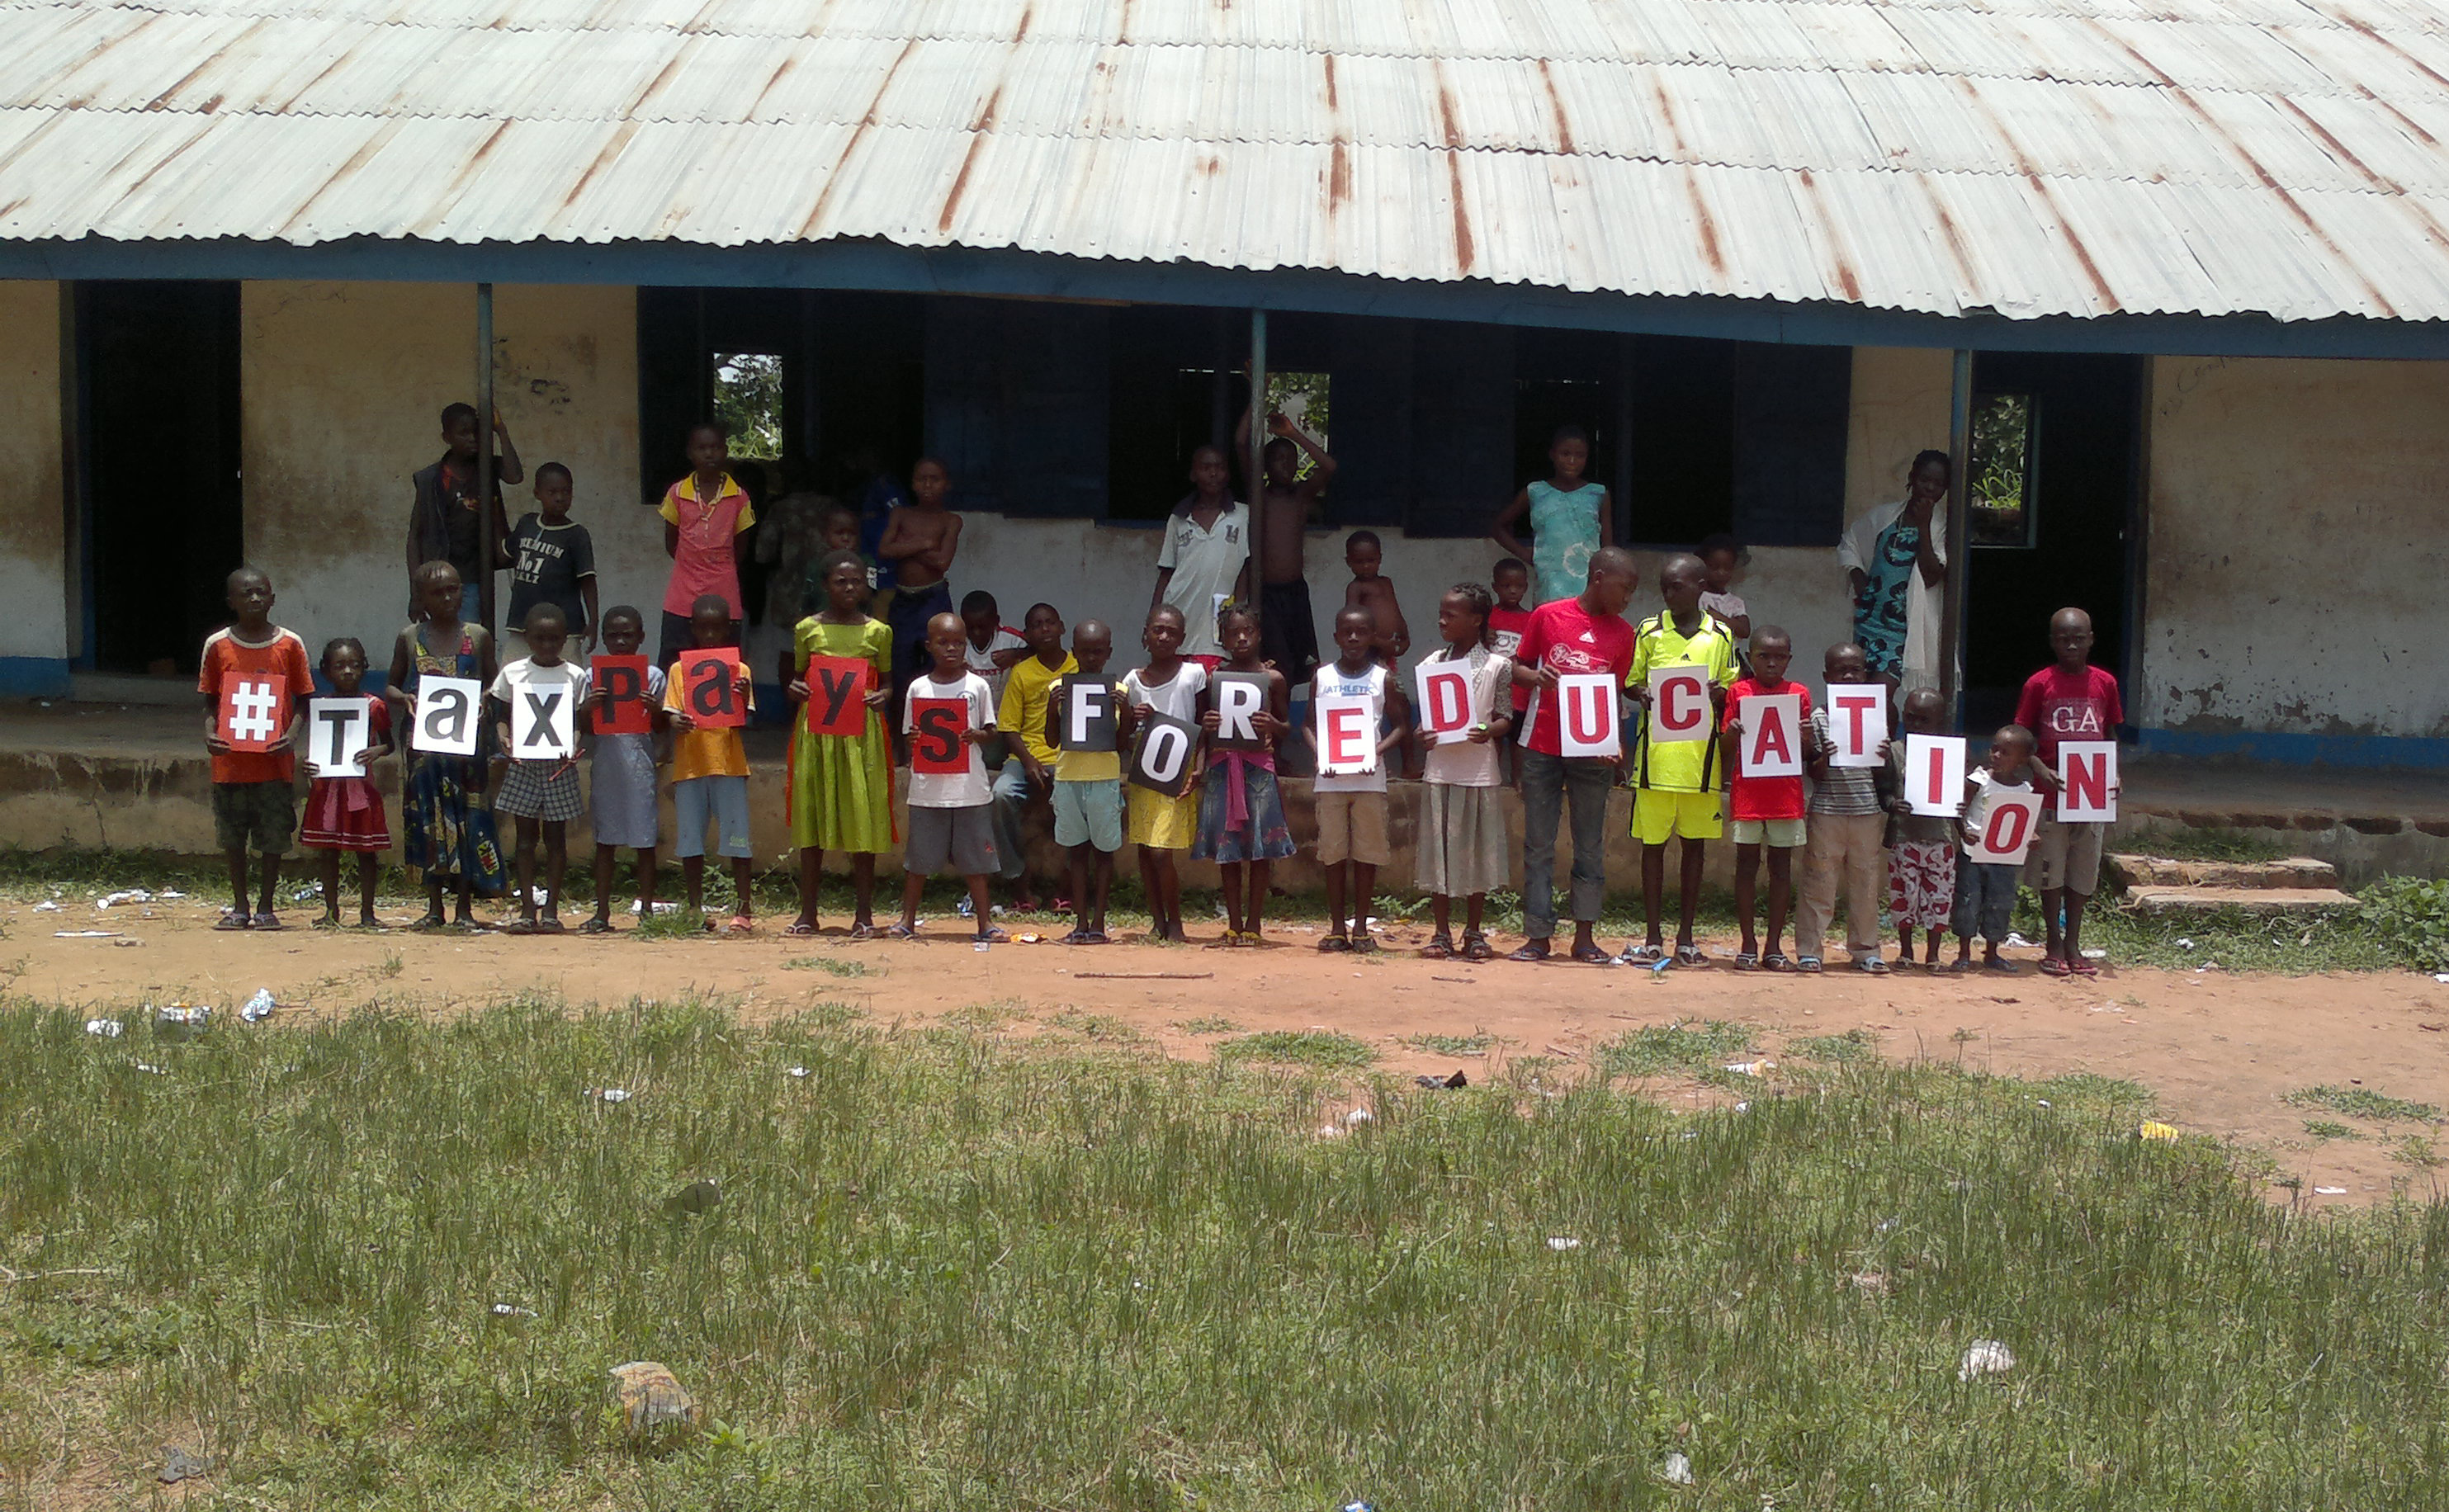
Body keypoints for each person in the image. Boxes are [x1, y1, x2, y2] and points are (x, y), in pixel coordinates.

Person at [1507, 546, 1641, 964]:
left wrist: (1615, 742)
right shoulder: (1547, 616)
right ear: (1599, 578)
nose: (1627, 598)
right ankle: (1537, 936)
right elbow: (1517, 667)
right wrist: (1536, 677)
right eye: (1624, 587)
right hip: (1542, 745)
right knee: (1539, 844)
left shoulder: (1623, 633)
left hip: (1592, 753)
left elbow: (1613, 696)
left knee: (1589, 844)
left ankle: (1585, 937)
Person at [1624, 553, 1742, 966]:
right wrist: (1641, 695)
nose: (1669, 593)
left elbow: (1733, 690)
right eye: (1664, 587)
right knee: (1652, 848)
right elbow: (1631, 682)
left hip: (1701, 764)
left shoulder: (1720, 636)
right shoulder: (1649, 632)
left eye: (1677, 586)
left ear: (1700, 586)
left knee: (1694, 849)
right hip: (1655, 763)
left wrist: (1718, 694)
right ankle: (1653, 935)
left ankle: (1687, 937)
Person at [388, 562, 508, 928]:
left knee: (469, 819)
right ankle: (435, 906)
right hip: (425, 749)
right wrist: (405, 699)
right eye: (437, 593)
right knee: (430, 820)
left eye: (453, 589)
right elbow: (391, 685)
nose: (447, 598)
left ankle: (466, 908)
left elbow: (495, 682)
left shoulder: (479, 636)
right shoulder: (410, 637)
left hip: (468, 746)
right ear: (422, 598)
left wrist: (485, 700)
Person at [782, 550, 894, 937]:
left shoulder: (878, 632)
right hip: (817, 734)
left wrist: (885, 696)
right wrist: (794, 689)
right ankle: (807, 913)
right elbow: (797, 678)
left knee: (862, 819)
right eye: (840, 582)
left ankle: (863, 915)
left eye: (857, 581)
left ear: (866, 584)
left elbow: (889, 682)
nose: (849, 588)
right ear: (825, 585)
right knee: (812, 819)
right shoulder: (807, 630)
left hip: (862, 736)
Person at [199, 566, 314, 931]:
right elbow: (209, 701)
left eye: (261, 592)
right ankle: (239, 906)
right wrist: (210, 736)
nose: (254, 599)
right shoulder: (218, 645)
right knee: (232, 837)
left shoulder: (290, 644)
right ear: (231, 601)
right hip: (230, 764)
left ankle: (266, 906)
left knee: (273, 837)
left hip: (274, 763)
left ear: (273, 598)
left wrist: (293, 735)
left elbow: (304, 700)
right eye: (245, 593)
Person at [2016, 606, 2125, 978]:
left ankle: (2074, 941)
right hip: (2050, 796)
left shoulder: (2105, 684)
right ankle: (2053, 941)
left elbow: (2109, 734)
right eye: (2064, 639)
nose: (2072, 646)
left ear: (2092, 640)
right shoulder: (2038, 684)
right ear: (2052, 642)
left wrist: (2114, 774)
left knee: (2082, 871)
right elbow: (2021, 738)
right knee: (2052, 872)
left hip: (2090, 796)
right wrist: (2040, 768)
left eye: (2079, 638)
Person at [891, 611, 1005, 943]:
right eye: (943, 643)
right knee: (918, 862)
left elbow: (991, 730)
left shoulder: (977, 686)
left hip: (970, 788)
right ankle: (907, 920)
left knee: (976, 863)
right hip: (928, 789)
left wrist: (976, 736)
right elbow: (908, 735)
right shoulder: (918, 688)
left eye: (958, 642)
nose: (952, 649)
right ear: (929, 646)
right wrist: (912, 740)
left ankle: (985, 923)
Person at [1414, 583, 1513, 961]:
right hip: (1440, 769)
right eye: (1441, 612)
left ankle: (1473, 931)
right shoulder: (1430, 666)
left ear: (1476, 620)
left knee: (1476, 853)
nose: (1442, 620)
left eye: (1450, 615)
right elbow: (1427, 722)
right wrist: (1424, 734)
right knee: (1440, 853)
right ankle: (1441, 932)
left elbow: (1505, 716)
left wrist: (1488, 730)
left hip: (1478, 772)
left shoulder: (1496, 667)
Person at [1308, 606, 1408, 952]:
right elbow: (1308, 724)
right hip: (1331, 781)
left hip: (1369, 780)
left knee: (1367, 855)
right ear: (1335, 636)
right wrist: (1321, 754)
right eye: (1346, 632)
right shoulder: (1322, 677)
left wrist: (1377, 751)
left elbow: (1401, 726)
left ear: (1371, 637)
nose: (1353, 638)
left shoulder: (1382, 678)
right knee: (1333, 855)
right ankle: (1337, 927)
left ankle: (1362, 927)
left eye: (1361, 632)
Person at [488, 603, 590, 933]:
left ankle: (552, 910)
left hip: (558, 766)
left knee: (556, 839)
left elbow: (579, 723)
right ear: (528, 640)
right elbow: (502, 717)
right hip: (523, 763)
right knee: (525, 839)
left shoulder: (575, 676)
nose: (547, 645)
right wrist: (504, 741)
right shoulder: (513, 673)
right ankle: (527, 908)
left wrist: (573, 746)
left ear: (564, 641)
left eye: (554, 639)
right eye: (540, 639)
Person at [1194, 603, 1293, 944]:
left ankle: (1254, 923)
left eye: (1247, 631)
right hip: (1223, 767)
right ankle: (1234, 923)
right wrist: (1205, 731)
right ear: (1223, 638)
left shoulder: (1273, 680)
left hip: (1259, 769)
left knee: (1262, 848)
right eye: (1233, 632)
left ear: (1258, 634)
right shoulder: (1213, 679)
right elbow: (1201, 727)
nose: (1241, 638)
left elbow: (1287, 728)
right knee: (1228, 848)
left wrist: (1273, 725)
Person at [1798, 642, 1896, 974]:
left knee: (1866, 883)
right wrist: (1822, 754)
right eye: (1842, 670)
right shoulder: (1819, 718)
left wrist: (1884, 757)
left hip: (1866, 811)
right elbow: (1813, 773)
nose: (1850, 675)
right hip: (1828, 810)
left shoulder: (1875, 716)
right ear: (1827, 676)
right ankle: (1811, 950)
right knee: (1819, 882)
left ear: (1866, 674)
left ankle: (1866, 949)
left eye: (1857, 669)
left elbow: (1881, 775)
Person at [659, 596, 755, 931]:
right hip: (690, 766)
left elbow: (748, 722)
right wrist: (677, 723)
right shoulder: (678, 670)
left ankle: (743, 908)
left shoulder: (739, 670)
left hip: (729, 763)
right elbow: (670, 713)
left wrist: (743, 697)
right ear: (693, 629)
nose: (710, 635)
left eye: (717, 629)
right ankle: (696, 906)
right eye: (704, 628)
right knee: (690, 839)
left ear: (728, 629)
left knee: (738, 838)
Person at [1721, 627, 1813, 971]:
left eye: (1779, 657)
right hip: (1748, 794)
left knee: (1781, 869)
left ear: (1789, 659)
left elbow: (1804, 751)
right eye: (1764, 656)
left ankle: (1773, 946)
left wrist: (1805, 737)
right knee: (1746, 866)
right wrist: (1731, 732)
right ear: (1751, 657)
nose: (1772, 664)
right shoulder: (1739, 692)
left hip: (1785, 796)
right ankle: (1747, 943)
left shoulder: (1799, 694)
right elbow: (1725, 748)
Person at [1235, 392, 1335, 689]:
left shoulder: (1301, 497)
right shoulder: (1259, 495)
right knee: (1275, 661)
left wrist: (1293, 433)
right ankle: (1273, 725)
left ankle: (1282, 723)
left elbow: (1328, 466)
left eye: (1291, 460)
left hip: (1295, 592)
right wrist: (1256, 395)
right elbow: (1241, 443)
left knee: (1299, 664)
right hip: (1265, 592)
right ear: (1264, 466)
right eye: (1278, 460)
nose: (1286, 466)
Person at [1121, 605, 1206, 944]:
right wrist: (1132, 718)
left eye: (1172, 631)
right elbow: (1124, 737)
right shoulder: (1131, 681)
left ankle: (1176, 923)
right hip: (1145, 768)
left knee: (1161, 850)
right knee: (1144, 847)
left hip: (1179, 768)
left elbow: (1203, 724)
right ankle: (1157, 922)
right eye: (1158, 629)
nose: (1164, 636)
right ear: (1145, 635)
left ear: (1182, 638)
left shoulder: (1194, 675)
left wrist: (1199, 767)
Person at [580, 605, 664, 934]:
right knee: (605, 840)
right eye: (613, 635)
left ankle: (646, 909)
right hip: (606, 766)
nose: (620, 641)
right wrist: (589, 708)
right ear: (603, 639)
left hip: (640, 766)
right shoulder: (591, 677)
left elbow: (660, 727)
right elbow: (583, 726)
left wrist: (654, 708)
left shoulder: (653, 676)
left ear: (641, 638)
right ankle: (602, 911)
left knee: (645, 841)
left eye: (627, 635)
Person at [1839, 449, 1950, 692]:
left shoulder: (1942, 527)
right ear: (1912, 477)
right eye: (1924, 479)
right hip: (1870, 620)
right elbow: (1850, 543)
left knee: (1882, 694)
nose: (1930, 488)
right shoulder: (1885, 515)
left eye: (1938, 484)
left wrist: (1923, 525)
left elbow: (1932, 576)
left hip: (1902, 627)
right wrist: (1860, 581)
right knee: (1861, 692)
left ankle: (1885, 731)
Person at [300, 635, 391, 929]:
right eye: (340, 666)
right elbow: (318, 746)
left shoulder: (375, 706)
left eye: (354, 665)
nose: (348, 672)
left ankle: (367, 912)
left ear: (364, 668)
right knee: (328, 851)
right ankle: (331, 909)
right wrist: (309, 764)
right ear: (326, 671)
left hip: (361, 789)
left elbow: (390, 744)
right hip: (327, 788)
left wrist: (375, 751)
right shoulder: (320, 706)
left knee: (366, 852)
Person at [1046, 620, 1127, 945]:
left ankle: (1099, 923)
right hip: (1068, 778)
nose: (1091, 658)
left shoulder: (1118, 691)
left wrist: (1128, 710)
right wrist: (1054, 709)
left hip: (1105, 778)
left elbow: (1122, 744)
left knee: (1104, 853)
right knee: (1076, 852)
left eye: (1098, 652)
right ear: (1074, 652)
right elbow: (1052, 740)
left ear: (1108, 653)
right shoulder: (1058, 688)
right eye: (1085, 652)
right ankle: (1080, 921)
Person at [993, 602, 1076, 914]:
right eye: (1037, 625)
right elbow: (1009, 728)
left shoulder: (1079, 667)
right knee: (1001, 795)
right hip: (1026, 755)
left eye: (1050, 623)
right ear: (1027, 635)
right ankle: (1018, 883)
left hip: (1069, 758)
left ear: (1062, 627)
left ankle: (1066, 889)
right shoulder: (1022, 672)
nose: (1045, 629)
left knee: (1082, 802)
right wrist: (1028, 762)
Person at [406, 403, 522, 624]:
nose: (473, 438)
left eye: (477, 432)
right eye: (464, 433)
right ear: (446, 437)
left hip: (473, 579)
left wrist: (501, 430)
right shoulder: (431, 479)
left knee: (468, 644)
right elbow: (414, 536)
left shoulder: (486, 468)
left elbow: (515, 476)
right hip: (437, 582)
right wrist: (416, 591)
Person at [1952, 725, 2052, 974]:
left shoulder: (2024, 790)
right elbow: (1959, 810)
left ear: (2022, 760)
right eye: (1994, 750)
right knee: (1968, 901)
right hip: (1972, 854)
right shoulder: (1978, 780)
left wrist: (2032, 836)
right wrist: (1963, 830)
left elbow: (2025, 824)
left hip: (2004, 859)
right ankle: (1963, 953)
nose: (1996, 756)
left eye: (2005, 753)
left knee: (1999, 903)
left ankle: (1992, 953)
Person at [657, 421, 757, 670]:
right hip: (683, 588)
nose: (709, 453)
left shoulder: (739, 496)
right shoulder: (677, 493)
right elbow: (672, 542)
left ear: (725, 451)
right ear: (690, 453)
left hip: (724, 585)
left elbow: (741, 547)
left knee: (726, 658)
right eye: (702, 448)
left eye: (715, 447)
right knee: (675, 656)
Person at [1488, 425, 1614, 607]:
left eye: (1580, 456)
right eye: (1565, 454)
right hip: (1549, 586)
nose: (1572, 461)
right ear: (1552, 455)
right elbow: (1498, 527)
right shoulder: (1536, 492)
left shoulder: (1598, 494)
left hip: (1587, 587)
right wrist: (1526, 554)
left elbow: (1608, 550)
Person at [1150, 445, 1251, 669]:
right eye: (1206, 468)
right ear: (1193, 474)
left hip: (1219, 616)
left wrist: (1240, 610)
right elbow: (1167, 571)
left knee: (1212, 684)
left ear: (1228, 474)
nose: (1213, 473)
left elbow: (1246, 566)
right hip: (1180, 609)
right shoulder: (1179, 518)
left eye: (1219, 467)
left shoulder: (1242, 515)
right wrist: (1153, 616)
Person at [877, 457, 964, 709]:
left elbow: (942, 562)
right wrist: (924, 544)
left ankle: (934, 721)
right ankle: (900, 733)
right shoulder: (900, 514)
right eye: (921, 479)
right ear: (913, 484)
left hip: (933, 598)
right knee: (899, 665)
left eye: (934, 479)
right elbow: (884, 549)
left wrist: (905, 547)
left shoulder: (951, 520)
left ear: (946, 485)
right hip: (903, 599)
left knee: (937, 662)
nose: (927, 485)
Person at [1887, 687, 1957, 969]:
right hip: (1904, 837)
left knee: (1938, 898)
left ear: (1939, 721)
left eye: (1924, 720)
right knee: (1904, 896)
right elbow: (1884, 790)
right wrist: (1893, 803)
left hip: (1940, 838)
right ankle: (1906, 951)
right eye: (1911, 718)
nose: (1916, 725)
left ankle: (1933, 954)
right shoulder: (1894, 752)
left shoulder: (1949, 753)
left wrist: (1960, 811)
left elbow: (1957, 795)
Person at [504, 462, 598, 657]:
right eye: (553, 492)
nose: (560, 498)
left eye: (566, 492)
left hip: (564, 629)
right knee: (513, 679)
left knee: (566, 679)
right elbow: (504, 554)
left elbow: (587, 580)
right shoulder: (527, 523)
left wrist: (594, 620)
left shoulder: (576, 534)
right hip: (522, 624)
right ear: (537, 493)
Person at [1487, 557, 1534, 782]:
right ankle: (1491, 778)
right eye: (1506, 586)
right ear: (1495, 587)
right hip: (1493, 690)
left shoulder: (1530, 619)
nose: (1513, 591)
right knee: (1494, 737)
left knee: (1518, 740)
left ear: (1526, 586)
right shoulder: (1487, 617)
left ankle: (1517, 779)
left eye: (1518, 586)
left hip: (1520, 693)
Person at [1341, 531, 1409, 668]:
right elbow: (1351, 623)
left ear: (1380, 559)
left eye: (1371, 560)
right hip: (1366, 650)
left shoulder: (1386, 582)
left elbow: (1396, 612)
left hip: (1388, 648)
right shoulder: (1356, 587)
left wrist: (1405, 637)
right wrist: (1380, 642)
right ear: (1349, 562)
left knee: (1390, 683)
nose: (1366, 566)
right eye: (1359, 562)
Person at [1696, 532, 1752, 650]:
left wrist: (1718, 617)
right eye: (1714, 567)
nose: (1721, 573)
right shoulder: (1695, 598)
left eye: (1727, 568)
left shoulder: (1735, 603)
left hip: (1729, 660)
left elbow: (1745, 631)